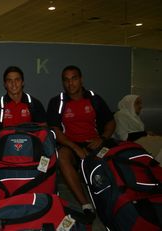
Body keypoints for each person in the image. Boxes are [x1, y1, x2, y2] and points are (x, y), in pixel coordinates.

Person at [46, 65, 116, 221]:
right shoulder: (57, 102)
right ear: (63, 83)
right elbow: (55, 131)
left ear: (81, 79)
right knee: (61, 156)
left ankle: (117, 198)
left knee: (112, 157)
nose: (71, 84)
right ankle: (85, 204)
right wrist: (75, 147)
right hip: (70, 146)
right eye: (67, 80)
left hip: (95, 144)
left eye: (74, 79)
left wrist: (102, 139)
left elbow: (111, 122)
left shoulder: (94, 98)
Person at [0, 66, 46, 144]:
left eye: (17, 80)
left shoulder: (34, 104)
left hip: (29, 149)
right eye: (9, 80)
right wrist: (5, 150)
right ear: (5, 84)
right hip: (6, 150)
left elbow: (43, 130)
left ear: (22, 82)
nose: (13, 84)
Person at [113, 94, 162, 160]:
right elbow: (124, 137)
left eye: (141, 103)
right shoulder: (120, 116)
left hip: (140, 142)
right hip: (129, 145)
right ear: (129, 104)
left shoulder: (135, 117)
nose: (141, 106)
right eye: (137, 103)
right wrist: (145, 133)